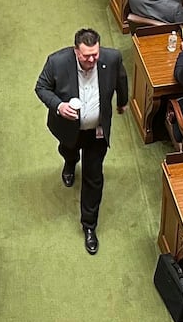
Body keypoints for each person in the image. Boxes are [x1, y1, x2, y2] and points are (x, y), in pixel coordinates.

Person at [34, 28, 127, 255]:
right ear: (76, 52)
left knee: (93, 176)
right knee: (69, 151)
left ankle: (89, 225)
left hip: (96, 131)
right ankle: (69, 162)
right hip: (69, 129)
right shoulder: (56, 62)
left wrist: (122, 102)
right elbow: (41, 87)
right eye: (87, 56)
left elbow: (120, 79)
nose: (92, 59)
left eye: (95, 54)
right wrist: (59, 106)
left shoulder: (111, 58)